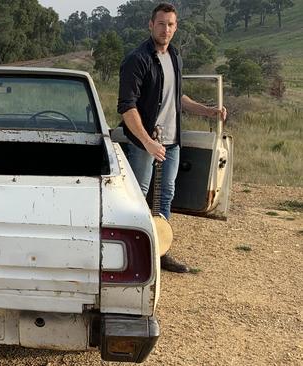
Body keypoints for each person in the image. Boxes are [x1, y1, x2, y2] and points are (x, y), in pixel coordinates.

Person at [117, 3, 227, 273]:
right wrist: (147, 141)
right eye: (161, 23)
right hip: (144, 141)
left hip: (171, 141)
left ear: (176, 27)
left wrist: (208, 111)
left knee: (166, 196)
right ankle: (130, 256)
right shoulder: (137, 59)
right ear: (150, 25)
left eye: (171, 24)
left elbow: (177, 97)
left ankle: (161, 252)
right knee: (137, 197)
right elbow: (127, 107)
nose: (165, 29)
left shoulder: (174, 56)